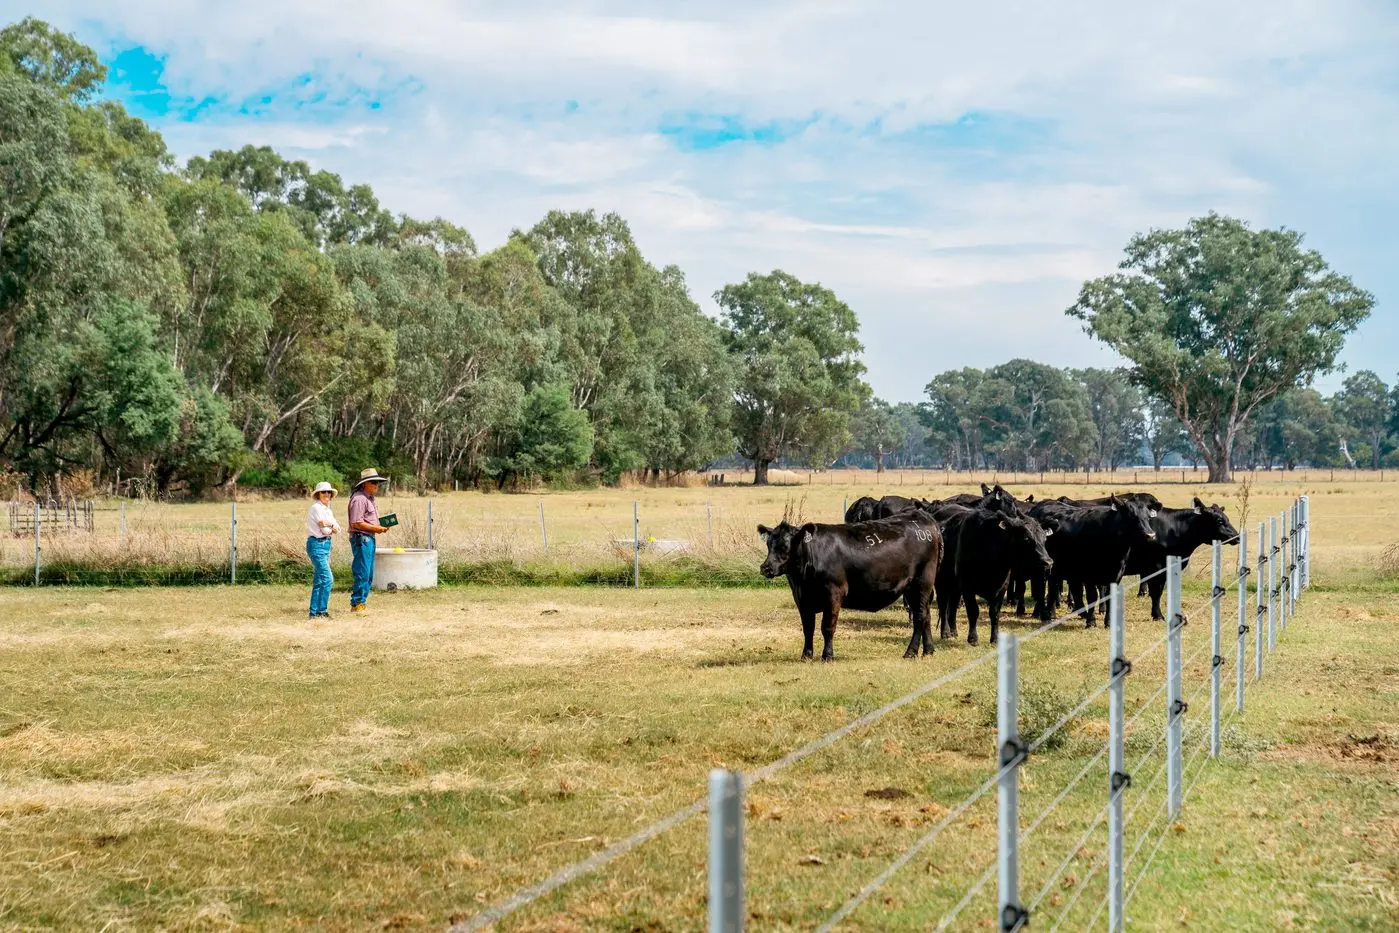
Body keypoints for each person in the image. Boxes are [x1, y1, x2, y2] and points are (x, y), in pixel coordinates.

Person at [347, 468, 390, 612]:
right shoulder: (359, 499)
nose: (376, 485)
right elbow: (356, 523)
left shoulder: (369, 498)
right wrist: (377, 529)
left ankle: (360, 603)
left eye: (378, 482)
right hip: (361, 538)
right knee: (363, 572)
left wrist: (379, 527)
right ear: (365, 484)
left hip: (368, 538)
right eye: (373, 482)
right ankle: (357, 603)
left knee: (369, 573)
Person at [306, 481, 340, 619]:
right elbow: (325, 529)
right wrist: (332, 526)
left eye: (328, 492)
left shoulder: (328, 510)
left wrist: (330, 525)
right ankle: (322, 611)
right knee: (328, 579)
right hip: (317, 544)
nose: (326, 494)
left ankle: (314, 613)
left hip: (325, 545)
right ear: (318, 494)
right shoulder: (316, 508)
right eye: (323, 492)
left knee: (320, 580)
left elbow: (338, 529)